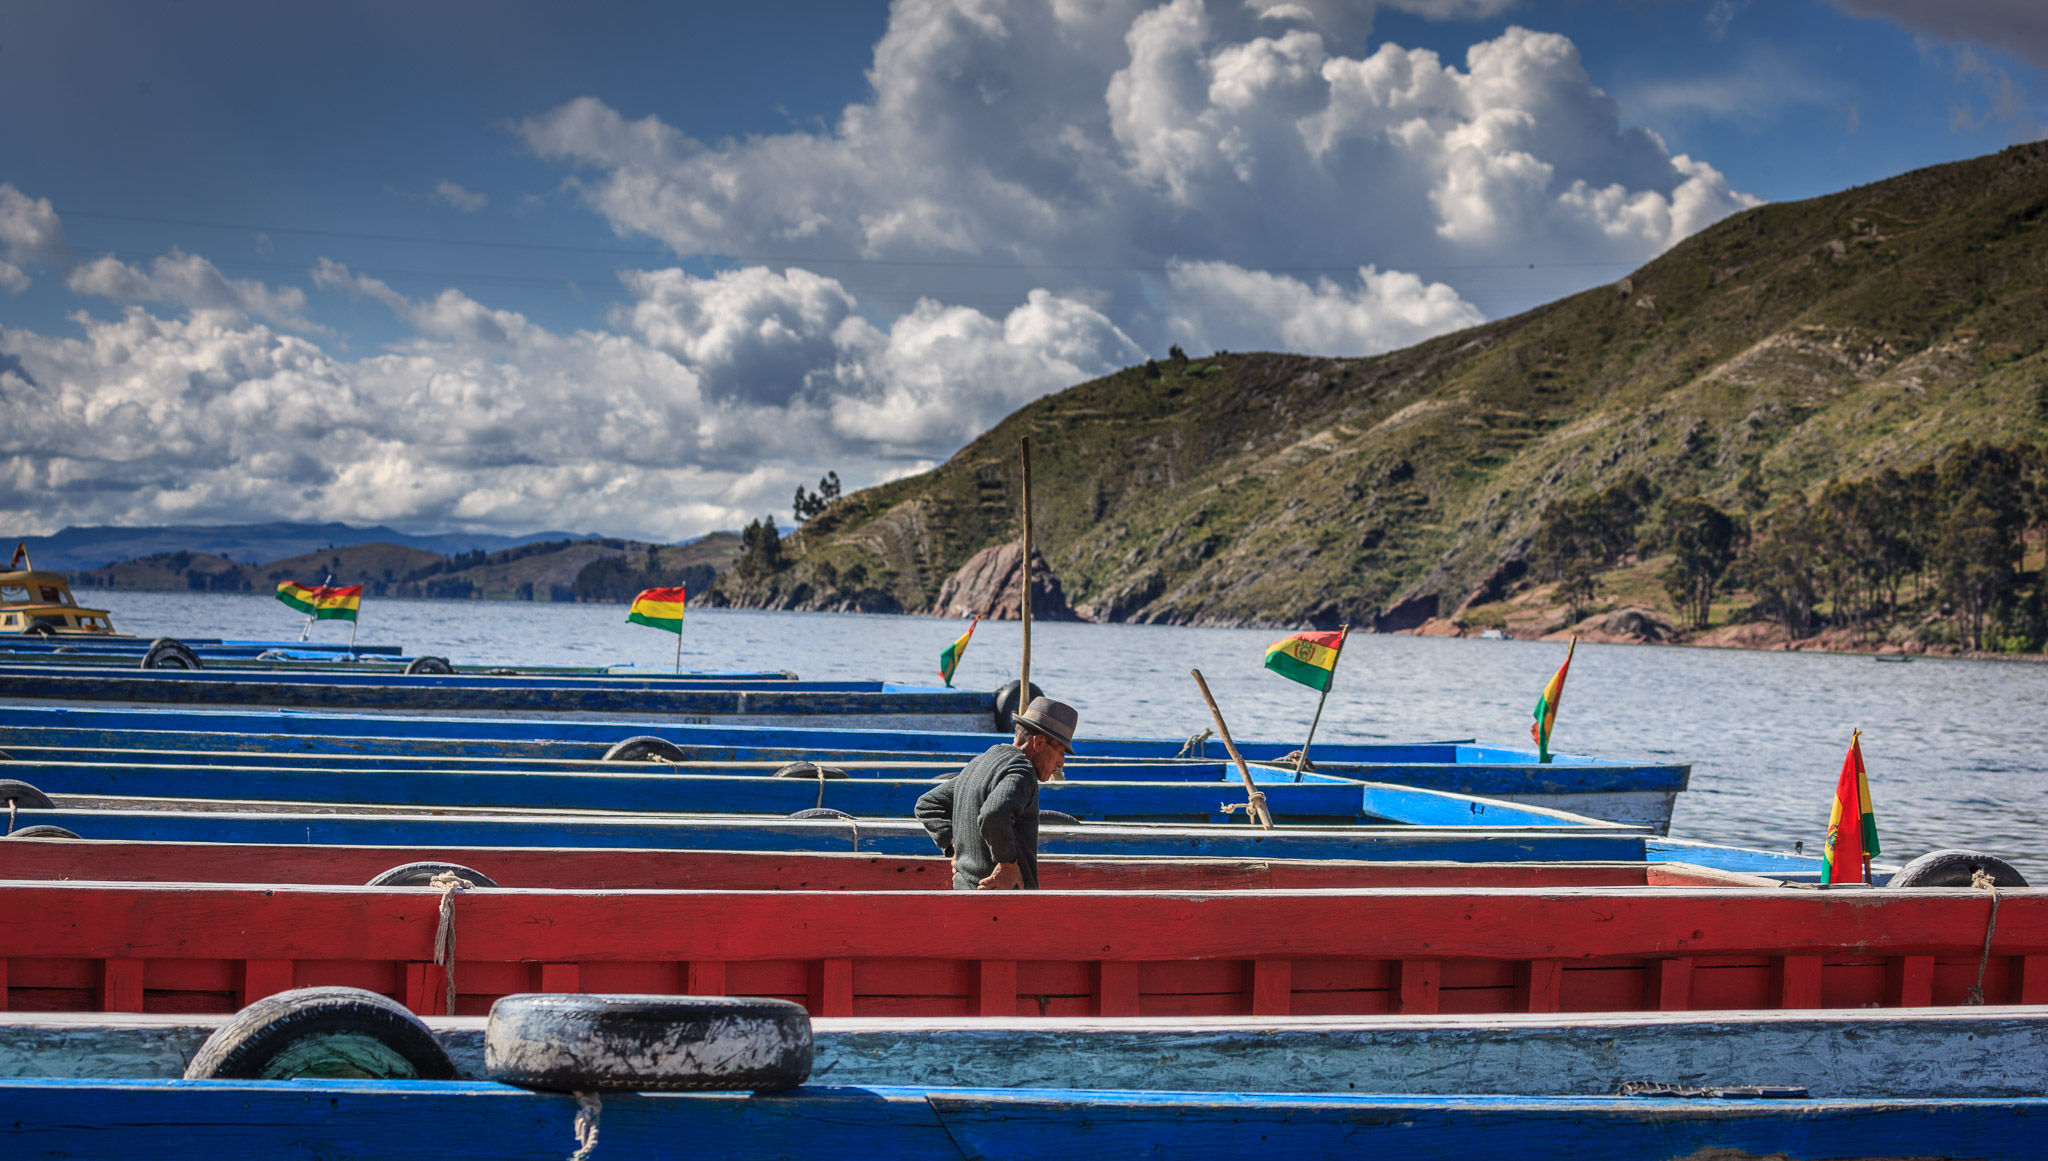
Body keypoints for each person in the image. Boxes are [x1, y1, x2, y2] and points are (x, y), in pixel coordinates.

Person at [914, 696, 1078, 890]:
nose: (1061, 763)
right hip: (1002, 907)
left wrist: (954, 845)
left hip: (965, 895)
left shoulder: (980, 762)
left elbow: (928, 804)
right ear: (1039, 742)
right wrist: (1007, 864)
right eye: (1060, 751)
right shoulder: (1022, 770)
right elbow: (994, 815)